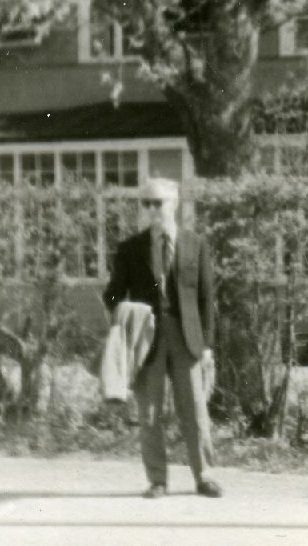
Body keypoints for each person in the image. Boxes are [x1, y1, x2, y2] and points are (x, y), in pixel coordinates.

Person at [103, 176, 223, 498]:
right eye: (146, 203)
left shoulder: (195, 245)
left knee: (195, 410)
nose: (152, 209)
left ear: (175, 205)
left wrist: (207, 344)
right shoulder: (131, 249)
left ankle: (205, 476)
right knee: (150, 412)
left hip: (187, 337)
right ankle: (157, 480)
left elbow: (206, 299)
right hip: (147, 338)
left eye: (158, 203)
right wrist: (129, 317)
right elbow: (112, 295)